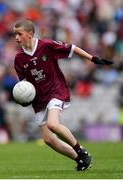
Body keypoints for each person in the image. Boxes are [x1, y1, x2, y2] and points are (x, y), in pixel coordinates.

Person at [13, 19, 113, 171]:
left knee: (53, 124)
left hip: (56, 90)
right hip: (39, 99)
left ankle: (81, 150)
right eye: (15, 34)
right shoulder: (19, 59)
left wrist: (92, 58)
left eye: (19, 34)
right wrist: (24, 99)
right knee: (48, 139)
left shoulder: (46, 45)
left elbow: (73, 48)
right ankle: (80, 159)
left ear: (30, 34)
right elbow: (24, 86)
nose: (16, 38)